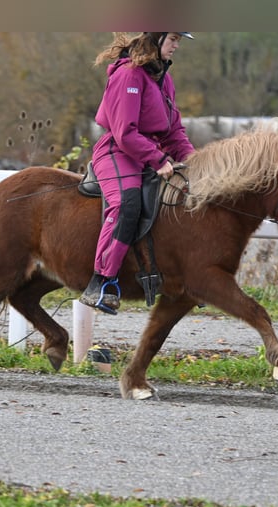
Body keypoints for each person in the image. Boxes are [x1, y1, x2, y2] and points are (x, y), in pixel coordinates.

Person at [79, 32, 196, 314]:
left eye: (179, 40)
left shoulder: (164, 79)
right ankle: (102, 282)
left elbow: (174, 132)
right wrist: (158, 159)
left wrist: (195, 162)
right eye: (174, 39)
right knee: (126, 204)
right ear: (156, 39)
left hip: (147, 155)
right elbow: (124, 133)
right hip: (117, 152)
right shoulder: (129, 76)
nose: (177, 45)